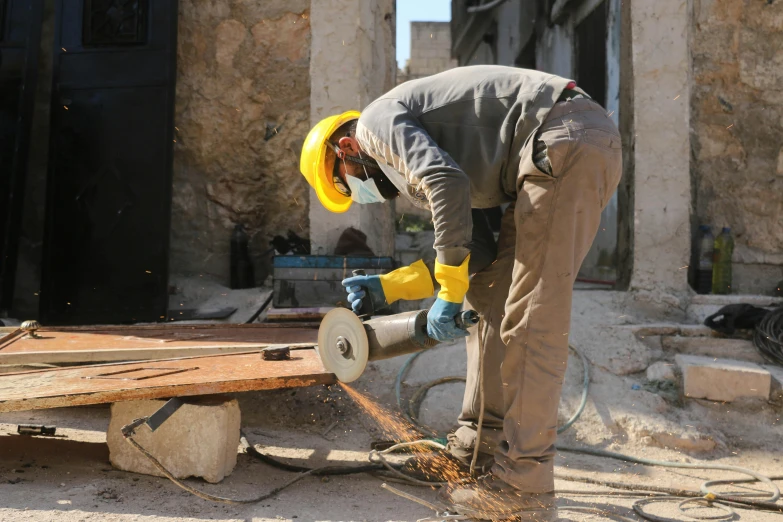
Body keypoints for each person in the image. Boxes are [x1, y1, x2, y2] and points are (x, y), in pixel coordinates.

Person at [299, 65, 622, 520]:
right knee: (488, 297)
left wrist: (446, 293)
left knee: (532, 319)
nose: (357, 192)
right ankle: (476, 450)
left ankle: (524, 487)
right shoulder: (434, 144)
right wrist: (391, 286)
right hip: (551, 149)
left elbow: (446, 184)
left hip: (563, 142)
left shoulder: (374, 124)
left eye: (345, 180)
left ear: (346, 147)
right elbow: (479, 247)